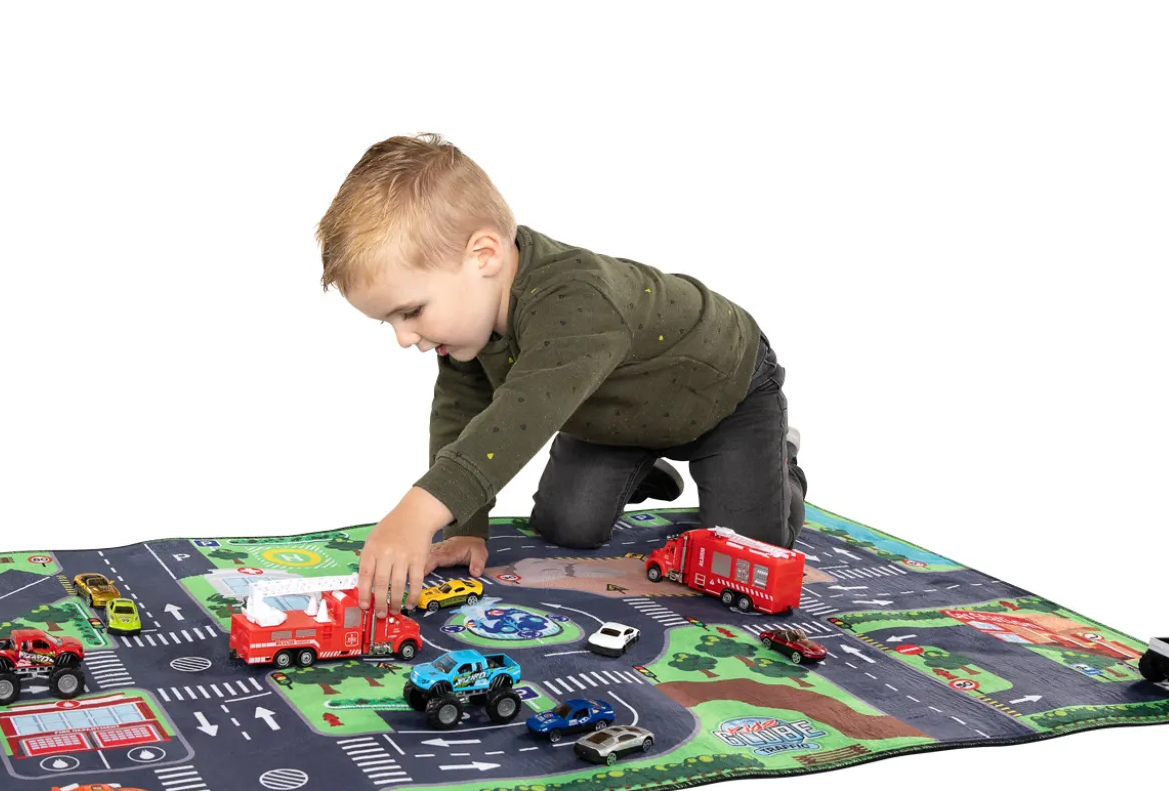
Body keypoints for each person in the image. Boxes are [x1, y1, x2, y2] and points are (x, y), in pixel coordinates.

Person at [317, 133, 807, 620]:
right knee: (566, 526)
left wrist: (418, 512)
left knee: (753, 553)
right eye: (390, 321)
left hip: (726, 396)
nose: (405, 337)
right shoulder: (467, 328)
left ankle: (780, 460)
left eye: (411, 311)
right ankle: (640, 466)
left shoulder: (576, 300)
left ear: (483, 255)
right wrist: (465, 528)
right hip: (616, 418)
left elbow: (519, 417)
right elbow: (460, 415)